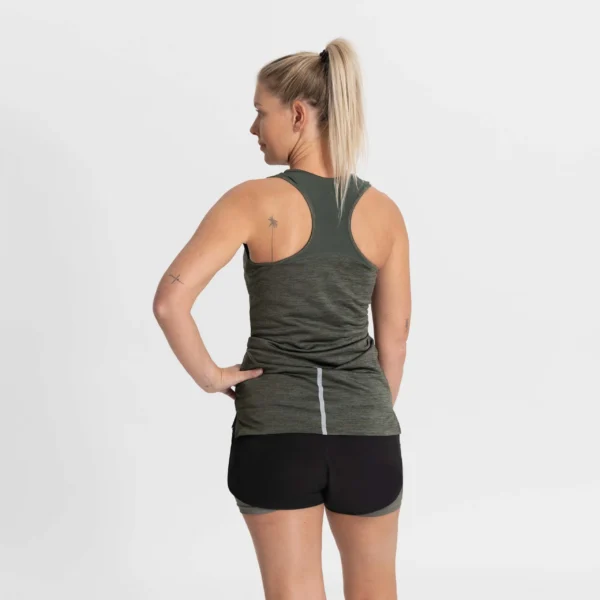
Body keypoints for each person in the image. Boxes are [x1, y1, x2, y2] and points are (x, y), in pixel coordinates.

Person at [153, 37, 411, 600]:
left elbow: (170, 301)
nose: (254, 128)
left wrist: (212, 377)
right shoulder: (384, 213)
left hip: (274, 433)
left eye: (260, 112)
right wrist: (364, 418)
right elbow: (394, 341)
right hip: (366, 436)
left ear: (297, 114)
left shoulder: (252, 201)